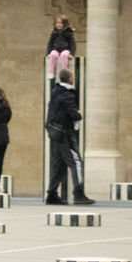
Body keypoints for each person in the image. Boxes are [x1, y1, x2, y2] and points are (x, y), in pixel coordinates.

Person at [45, 68, 92, 204]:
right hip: (65, 133)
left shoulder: (55, 91)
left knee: (58, 164)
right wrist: (78, 114)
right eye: (72, 77)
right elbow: (73, 114)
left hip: (55, 132)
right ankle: (78, 193)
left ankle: (52, 194)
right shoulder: (68, 93)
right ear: (70, 78)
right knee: (76, 161)